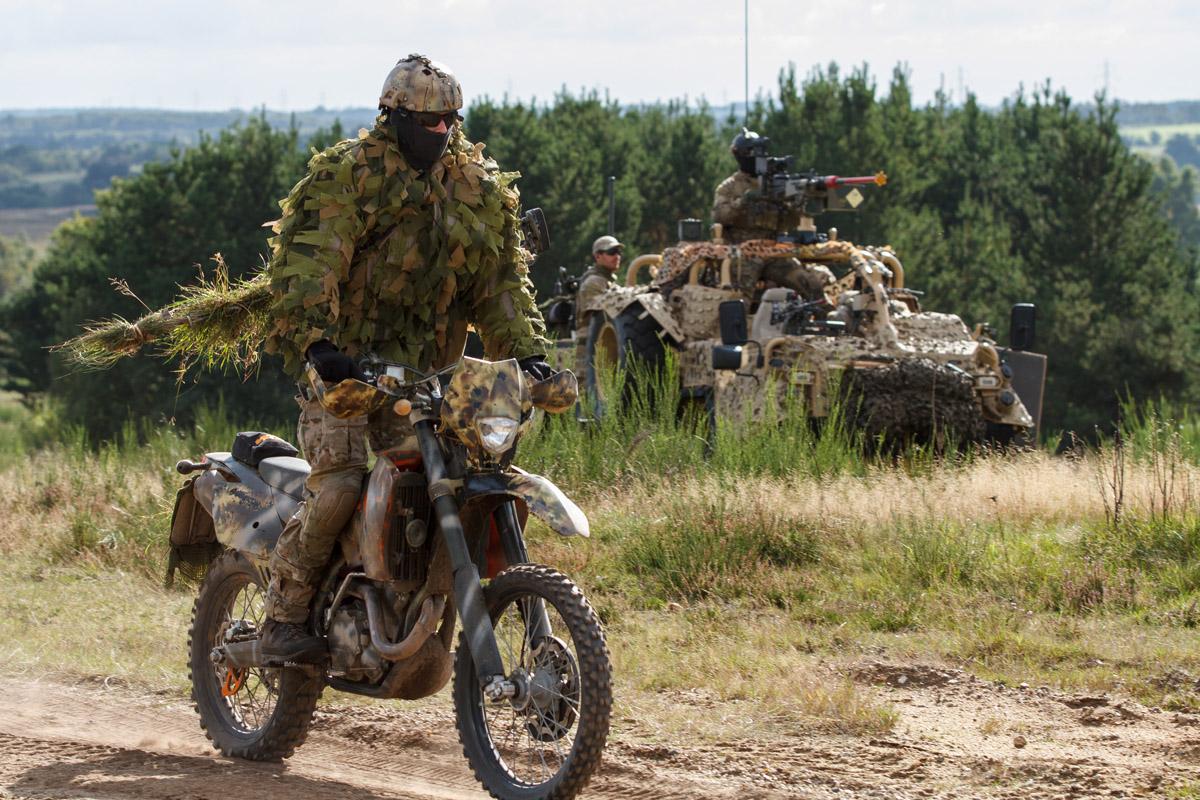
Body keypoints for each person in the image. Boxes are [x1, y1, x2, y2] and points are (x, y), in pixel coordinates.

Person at [258, 54, 552, 662]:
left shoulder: (476, 190)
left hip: (426, 380)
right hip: (346, 374)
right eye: (427, 123)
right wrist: (320, 347)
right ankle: (284, 613)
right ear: (392, 118)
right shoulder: (347, 177)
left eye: (450, 122)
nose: (440, 134)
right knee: (339, 489)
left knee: (457, 475)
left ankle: (410, 598)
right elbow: (311, 268)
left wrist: (527, 356)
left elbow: (498, 283)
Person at [711, 129, 833, 301]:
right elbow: (719, 216)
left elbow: (790, 221)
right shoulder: (730, 187)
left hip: (774, 253)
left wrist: (797, 203)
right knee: (738, 298)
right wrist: (745, 200)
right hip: (743, 252)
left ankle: (826, 319)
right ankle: (737, 326)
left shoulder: (777, 184)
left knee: (809, 284)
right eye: (751, 153)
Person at [573, 235, 622, 369]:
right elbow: (603, 314)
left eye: (619, 252)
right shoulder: (593, 282)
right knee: (587, 388)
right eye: (612, 252)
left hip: (603, 344)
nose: (617, 256)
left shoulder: (606, 281)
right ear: (598, 256)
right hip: (590, 345)